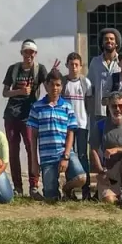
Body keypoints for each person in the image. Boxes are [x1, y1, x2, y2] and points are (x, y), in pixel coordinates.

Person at [28, 69, 86, 201]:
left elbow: (71, 133)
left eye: (58, 85)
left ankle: (66, 188)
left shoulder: (67, 107)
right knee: (51, 197)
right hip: (47, 157)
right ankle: (54, 190)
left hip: (64, 152)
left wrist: (66, 156)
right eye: (52, 84)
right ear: (47, 85)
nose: (55, 88)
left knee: (81, 178)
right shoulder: (36, 107)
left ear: (62, 86)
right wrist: (34, 162)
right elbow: (33, 137)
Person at [2, 40, 49, 197]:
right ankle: (18, 187)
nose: (28, 55)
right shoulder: (13, 69)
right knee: (13, 151)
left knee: (31, 148)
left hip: (30, 115)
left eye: (31, 52)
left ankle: (34, 186)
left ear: (35, 54)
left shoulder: (39, 69)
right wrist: (20, 92)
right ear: (21, 53)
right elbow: (5, 92)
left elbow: (49, 87)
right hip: (12, 114)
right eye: (26, 52)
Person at [63, 52, 93, 200]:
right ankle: (71, 188)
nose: (74, 67)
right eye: (71, 64)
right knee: (69, 155)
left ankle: (86, 190)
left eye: (76, 65)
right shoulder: (63, 83)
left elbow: (88, 104)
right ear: (67, 65)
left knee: (82, 156)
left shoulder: (85, 83)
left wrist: (87, 120)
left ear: (81, 66)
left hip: (81, 124)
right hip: (66, 126)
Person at [87, 28, 122, 145]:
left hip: (118, 109)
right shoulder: (95, 62)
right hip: (99, 110)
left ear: (116, 43)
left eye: (112, 39)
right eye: (106, 39)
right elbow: (89, 86)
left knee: (116, 141)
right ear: (102, 43)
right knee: (98, 142)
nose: (109, 41)